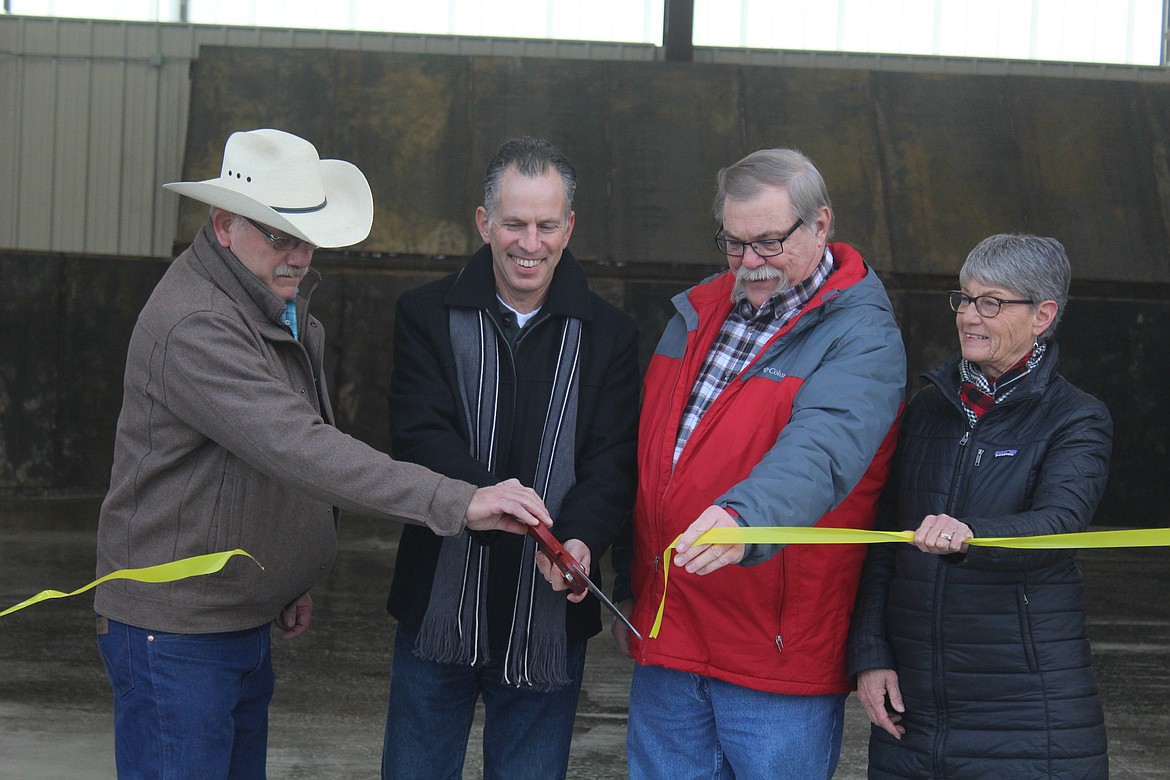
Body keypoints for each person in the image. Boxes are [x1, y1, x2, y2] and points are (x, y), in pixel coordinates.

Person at [94, 128, 553, 780]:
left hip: (230, 616)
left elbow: (270, 457)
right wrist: (460, 499)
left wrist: (289, 573)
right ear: (224, 225)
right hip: (176, 633)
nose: (299, 255)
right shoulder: (197, 326)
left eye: (307, 236)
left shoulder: (274, 308)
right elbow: (300, 447)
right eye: (279, 235)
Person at [612, 148, 906, 779]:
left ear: (821, 223)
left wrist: (745, 517)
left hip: (773, 654)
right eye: (733, 242)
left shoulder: (862, 335)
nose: (749, 263)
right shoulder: (694, 312)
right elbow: (650, 464)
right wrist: (631, 588)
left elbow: (823, 450)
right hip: (670, 634)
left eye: (769, 243)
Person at [380, 137, 639, 779]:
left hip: (550, 610)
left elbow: (613, 461)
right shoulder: (424, 314)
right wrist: (484, 498)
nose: (531, 243)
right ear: (484, 223)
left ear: (569, 227)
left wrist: (579, 541)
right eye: (515, 224)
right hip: (436, 602)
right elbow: (419, 436)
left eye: (547, 225)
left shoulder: (610, 334)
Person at [848, 234, 1112, 778]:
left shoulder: (1076, 418)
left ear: (1043, 314)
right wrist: (870, 656)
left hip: (1028, 705)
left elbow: (1061, 524)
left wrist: (967, 534)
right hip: (914, 707)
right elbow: (882, 544)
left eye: (991, 302)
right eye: (964, 299)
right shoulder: (926, 410)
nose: (970, 315)